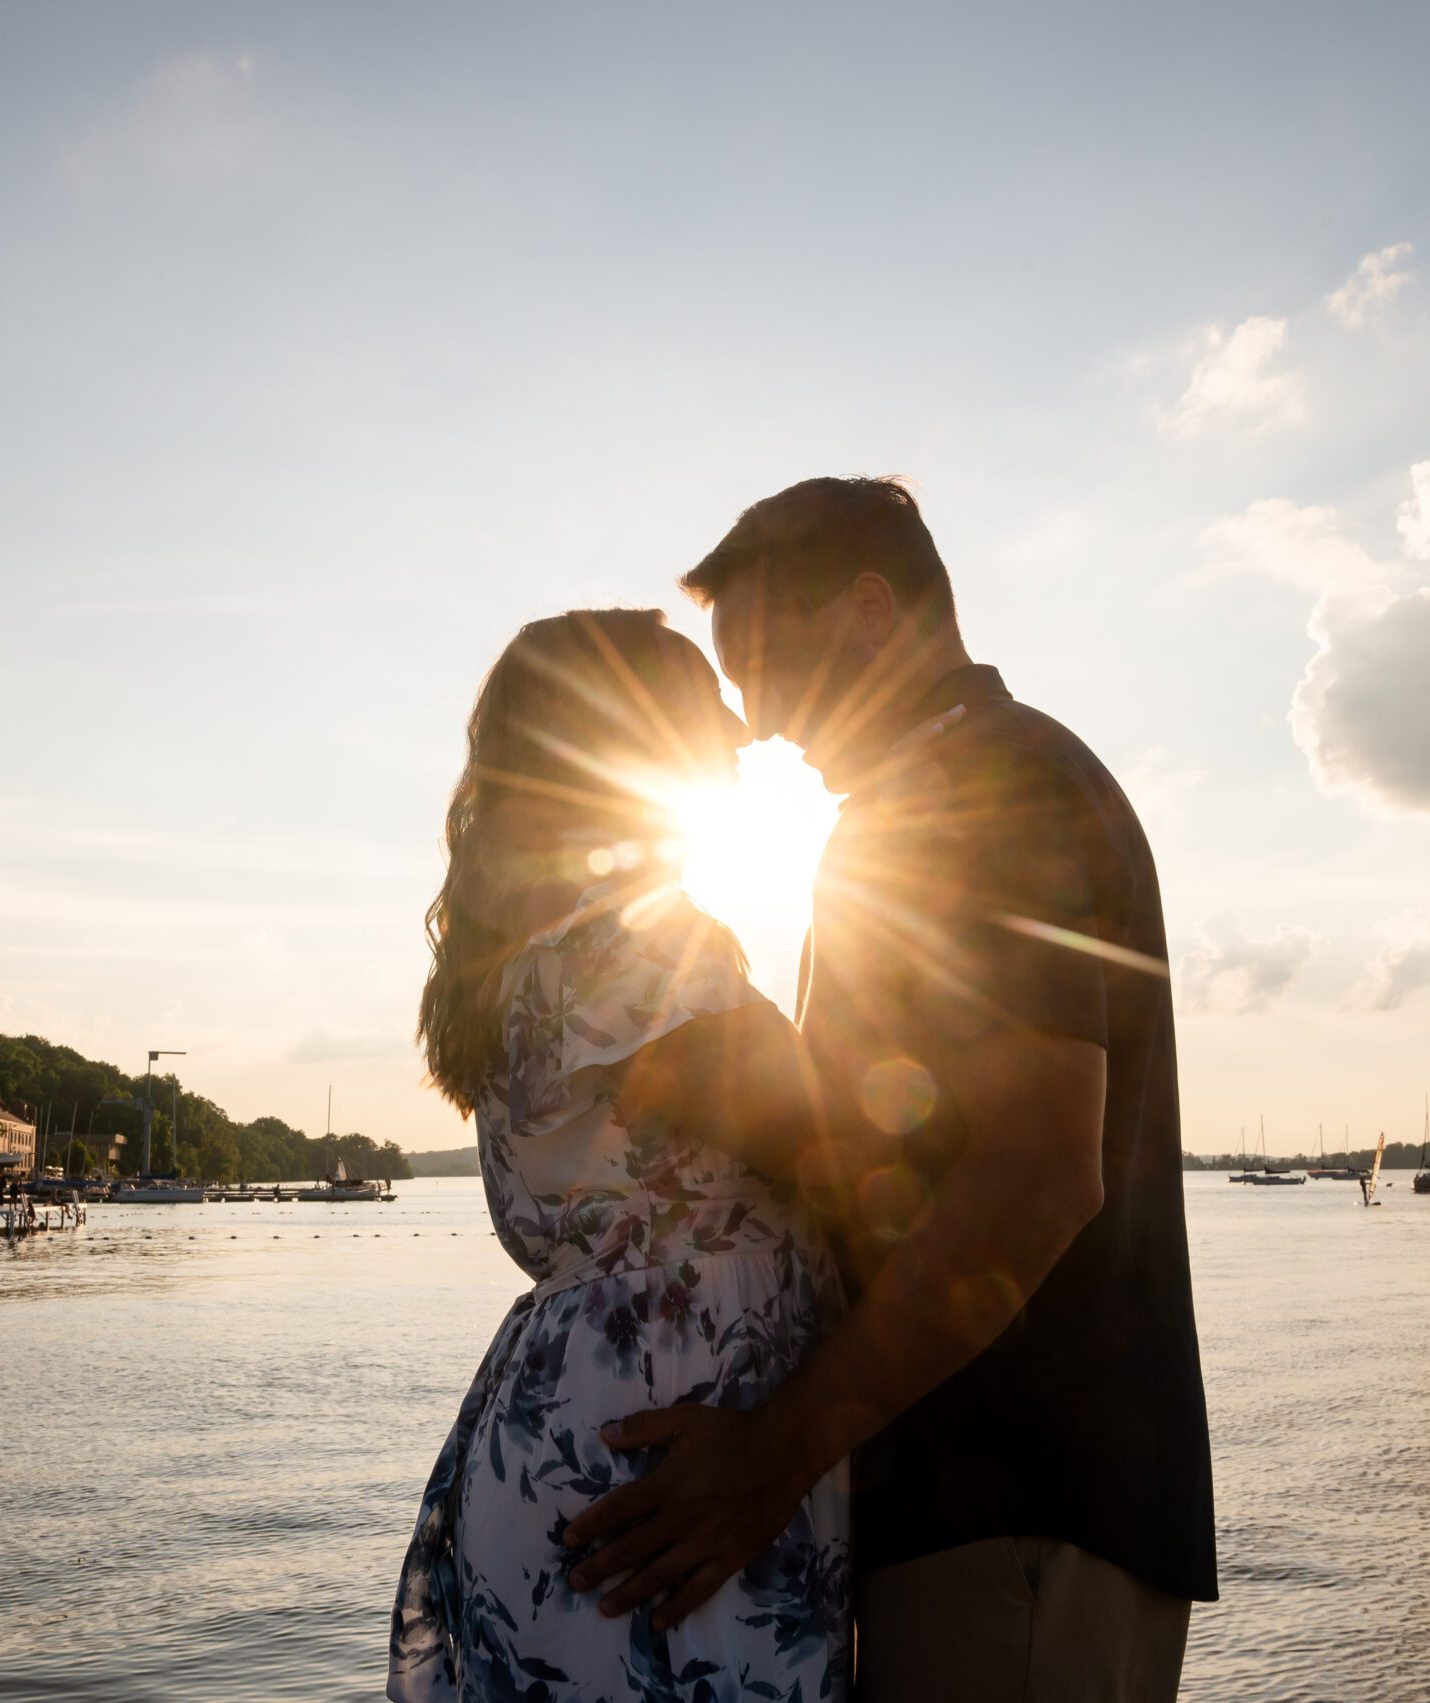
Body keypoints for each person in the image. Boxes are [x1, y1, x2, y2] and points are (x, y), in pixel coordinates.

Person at [562, 478, 1218, 1700]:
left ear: (870, 609)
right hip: (1018, 1510)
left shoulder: (970, 791)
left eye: (760, 659)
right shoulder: (970, 783)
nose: (752, 720)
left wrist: (766, 1460)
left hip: (1012, 1511)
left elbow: (1033, 1173)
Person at [388, 609, 852, 1703]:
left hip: (595, 1425)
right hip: (659, 1459)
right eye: (701, 701)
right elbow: (829, 1143)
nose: (739, 730)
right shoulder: (622, 949)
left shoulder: (535, 949)